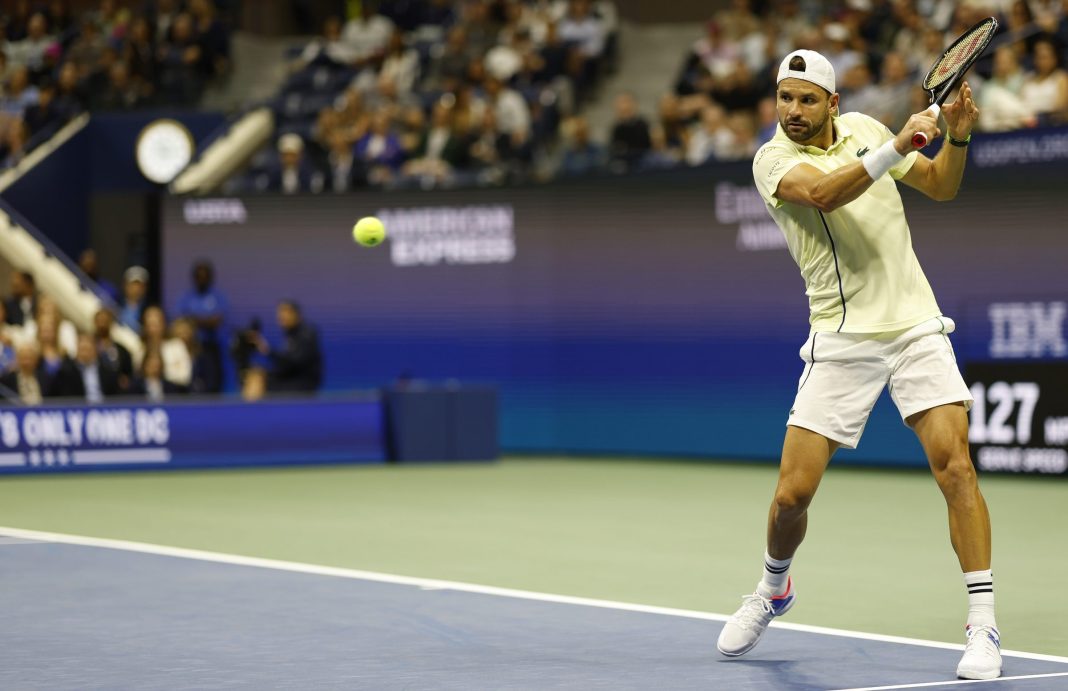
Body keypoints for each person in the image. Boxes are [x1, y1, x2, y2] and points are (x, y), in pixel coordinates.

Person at [717, 50, 999, 681]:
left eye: (806, 100)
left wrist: (956, 134)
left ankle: (983, 626)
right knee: (792, 495)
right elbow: (822, 194)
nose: (792, 111)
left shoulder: (869, 131)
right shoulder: (772, 161)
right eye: (784, 98)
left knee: (956, 468)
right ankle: (773, 588)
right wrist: (898, 144)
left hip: (915, 326)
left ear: (832, 103)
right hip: (840, 339)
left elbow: (943, 186)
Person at [176, 259, 228, 392]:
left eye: (205, 276)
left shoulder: (217, 296)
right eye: (199, 276)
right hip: (190, 347)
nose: (202, 279)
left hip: (211, 346)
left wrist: (194, 320)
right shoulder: (187, 297)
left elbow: (216, 321)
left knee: (213, 382)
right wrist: (203, 321)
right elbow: (182, 320)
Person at [253, 300, 322, 393]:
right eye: (280, 312)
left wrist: (268, 351)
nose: (281, 316)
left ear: (297, 314)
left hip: (302, 383)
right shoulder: (290, 335)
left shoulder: (306, 334)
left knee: (259, 382)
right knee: (256, 376)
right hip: (291, 378)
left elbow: (293, 364)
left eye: (286, 312)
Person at [119, 265, 149, 333]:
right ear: (125, 285)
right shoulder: (116, 304)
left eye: (140, 286)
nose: (136, 289)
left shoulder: (149, 308)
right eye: (133, 285)